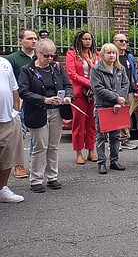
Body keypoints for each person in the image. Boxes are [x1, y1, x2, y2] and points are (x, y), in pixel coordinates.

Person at [18, 38, 73, 193]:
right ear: (37, 53)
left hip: (57, 110)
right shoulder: (27, 70)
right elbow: (23, 92)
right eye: (46, 56)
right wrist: (44, 99)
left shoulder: (57, 68)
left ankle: (52, 177)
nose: (50, 59)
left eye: (52, 56)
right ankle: (36, 179)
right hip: (37, 111)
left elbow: (68, 85)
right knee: (40, 146)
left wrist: (68, 96)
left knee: (54, 146)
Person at [90, 43, 130, 174]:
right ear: (102, 54)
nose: (112, 55)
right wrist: (116, 98)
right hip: (102, 106)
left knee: (115, 136)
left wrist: (120, 100)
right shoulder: (96, 69)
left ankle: (114, 161)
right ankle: (101, 162)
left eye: (114, 53)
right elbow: (98, 88)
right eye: (109, 53)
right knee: (101, 136)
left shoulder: (120, 68)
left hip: (117, 106)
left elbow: (125, 84)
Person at [5, 29, 38, 179]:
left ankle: (35, 164)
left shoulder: (40, 56)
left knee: (37, 134)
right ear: (20, 41)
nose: (33, 41)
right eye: (29, 38)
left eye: (35, 38)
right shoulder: (12, 59)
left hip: (37, 100)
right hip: (20, 100)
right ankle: (18, 165)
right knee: (19, 134)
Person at [65, 30, 99, 165]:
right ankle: (78, 152)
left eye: (89, 39)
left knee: (92, 123)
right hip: (79, 92)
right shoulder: (72, 54)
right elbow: (72, 74)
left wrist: (95, 86)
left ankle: (91, 150)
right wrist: (89, 83)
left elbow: (101, 71)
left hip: (94, 92)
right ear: (79, 40)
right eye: (85, 39)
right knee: (79, 124)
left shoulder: (96, 55)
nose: (88, 41)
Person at [0, 57, 24, 203]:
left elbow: (14, 88)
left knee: (7, 157)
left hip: (8, 119)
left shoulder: (4, 63)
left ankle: (2, 188)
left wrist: (15, 111)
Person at [113, 33, 138, 151]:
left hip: (128, 90)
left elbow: (132, 75)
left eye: (125, 41)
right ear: (115, 42)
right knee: (116, 115)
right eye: (121, 41)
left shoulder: (129, 57)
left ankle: (124, 139)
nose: (124, 43)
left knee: (125, 116)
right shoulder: (113, 56)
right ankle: (114, 140)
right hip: (116, 91)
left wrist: (135, 90)